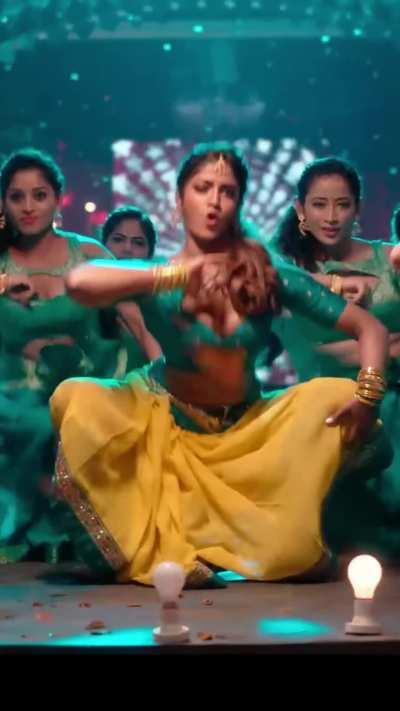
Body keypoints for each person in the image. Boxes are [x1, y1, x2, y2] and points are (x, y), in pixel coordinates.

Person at [50, 143, 389, 588]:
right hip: (164, 430)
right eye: (202, 188)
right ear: (179, 200)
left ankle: (207, 541)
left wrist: (368, 395)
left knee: (293, 547)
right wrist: (178, 276)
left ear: (238, 204)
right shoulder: (155, 276)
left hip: (247, 438)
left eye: (227, 192)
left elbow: (369, 328)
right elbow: (78, 281)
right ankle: (170, 543)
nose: (214, 201)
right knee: (77, 395)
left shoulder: (266, 274)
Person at [272, 156, 400, 559]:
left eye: (342, 205)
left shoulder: (389, 259)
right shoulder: (284, 272)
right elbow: (313, 354)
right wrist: (388, 346)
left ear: (358, 208)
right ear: (300, 209)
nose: (331, 217)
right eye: (319, 204)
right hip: (329, 414)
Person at [0, 147, 124, 561]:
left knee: (82, 417)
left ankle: (85, 533)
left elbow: (134, 319)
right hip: (12, 398)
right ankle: (29, 526)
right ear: (3, 203)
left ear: (58, 198)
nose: (28, 207)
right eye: (16, 197)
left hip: (83, 390)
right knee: (36, 422)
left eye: (39, 195)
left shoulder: (90, 256)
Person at [100, 206, 162, 369]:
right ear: (102, 245)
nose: (127, 249)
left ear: (150, 253)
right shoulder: (83, 299)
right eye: (118, 239)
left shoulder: (161, 308)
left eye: (138, 243)